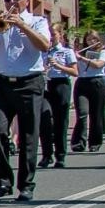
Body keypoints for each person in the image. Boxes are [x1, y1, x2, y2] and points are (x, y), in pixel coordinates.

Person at [0, 0, 52, 202]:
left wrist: (22, 25)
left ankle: (26, 185)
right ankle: (3, 182)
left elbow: (44, 45)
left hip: (29, 82)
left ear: (26, 1)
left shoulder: (37, 21)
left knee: (28, 135)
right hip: (3, 83)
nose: (11, 2)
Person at [38, 24, 77, 169]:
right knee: (44, 119)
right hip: (45, 84)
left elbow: (75, 72)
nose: (51, 38)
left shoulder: (66, 51)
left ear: (60, 35)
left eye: (53, 34)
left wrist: (58, 66)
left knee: (60, 121)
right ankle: (46, 155)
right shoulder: (41, 51)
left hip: (61, 84)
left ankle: (60, 155)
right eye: (49, 35)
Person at [70, 29, 105, 153]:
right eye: (88, 39)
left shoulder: (103, 52)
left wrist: (82, 59)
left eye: (94, 39)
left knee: (96, 115)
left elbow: (98, 65)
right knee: (82, 113)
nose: (91, 41)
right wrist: (74, 56)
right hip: (82, 82)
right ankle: (79, 142)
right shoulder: (81, 52)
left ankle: (95, 142)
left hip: (97, 82)